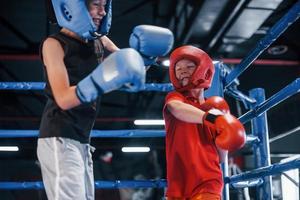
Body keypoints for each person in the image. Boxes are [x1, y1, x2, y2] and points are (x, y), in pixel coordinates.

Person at [37, 0, 174, 199]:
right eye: (95, 5)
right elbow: (63, 98)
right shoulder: (54, 44)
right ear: (72, 7)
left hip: (82, 139)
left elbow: (133, 67)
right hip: (59, 136)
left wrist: (146, 56)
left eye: (104, 5)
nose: (102, 12)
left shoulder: (100, 40)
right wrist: (100, 80)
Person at [163, 45, 246, 200]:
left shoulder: (216, 108)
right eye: (178, 68)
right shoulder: (175, 98)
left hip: (208, 181)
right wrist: (214, 119)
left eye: (189, 66)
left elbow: (221, 157)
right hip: (178, 184)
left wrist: (225, 131)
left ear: (204, 70)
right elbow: (177, 109)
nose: (182, 70)